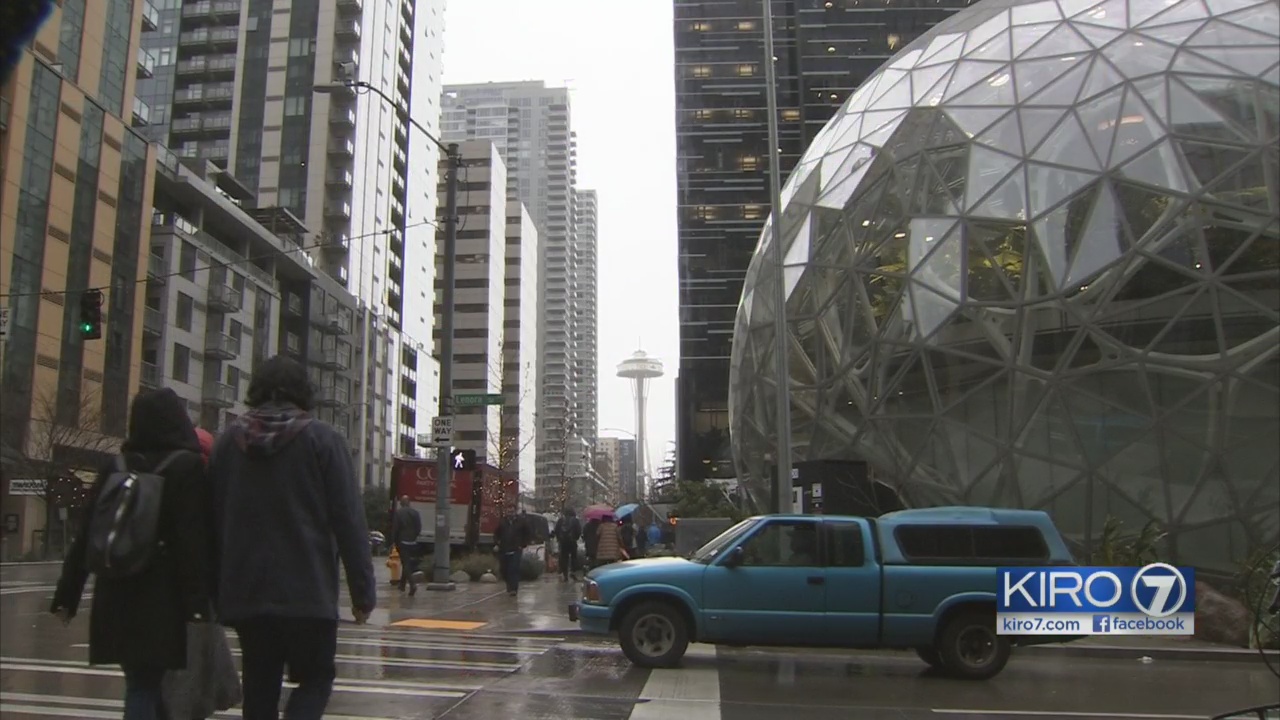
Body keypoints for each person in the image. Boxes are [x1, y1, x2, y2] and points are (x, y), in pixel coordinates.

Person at [208, 355, 376, 720]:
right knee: (316, 677)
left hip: (246, 592)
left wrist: (212, 590)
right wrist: (362, 593)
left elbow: (212, 521)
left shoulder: (227, 445)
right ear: (303, 393)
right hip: (308, 592)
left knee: (259, 682)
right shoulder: (323, 441)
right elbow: (349, 520)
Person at [51, 388, 211, 720]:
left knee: (140, 682)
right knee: (148, 685)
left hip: (115, 592)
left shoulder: (116, 465)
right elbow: (192, 543)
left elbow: (87, 536)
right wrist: (199, 605)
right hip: (162, 598)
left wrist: (68, 593)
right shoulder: (186, 467)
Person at [391, 496, 423, 595]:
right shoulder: (415, 513)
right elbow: (419, 527)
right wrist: (414, 536)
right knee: (407, 562)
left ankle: (412, 584)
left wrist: (393, 541)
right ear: (409, 503)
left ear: (401, 503)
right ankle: (402, 585)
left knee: (406, 564)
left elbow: (395, 528)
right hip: (412, 542)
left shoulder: (398, 513)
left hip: (402, 541)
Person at [493, 506, 527, 596]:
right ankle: (509, 585)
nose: (510, 514)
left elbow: (527, 534)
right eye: (508, 512)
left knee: (513, 569)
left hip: (516, 549)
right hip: (504, 549)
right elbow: (496, 534)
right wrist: (497, 543)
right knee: (504, 569)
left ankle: (513, 589)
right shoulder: (503, 522)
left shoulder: (521, 522)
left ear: (515, 512)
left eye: (512, 512)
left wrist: (522, 544)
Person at [553, 508, 582, 582]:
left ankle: (565, 574)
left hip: (563, 542)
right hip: (572, 541)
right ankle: (573, 572)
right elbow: (579, 531)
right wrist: (576, 538)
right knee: (574, 557)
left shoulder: (561, 520)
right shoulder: (575, 521)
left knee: (564, 558)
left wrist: (559, 539)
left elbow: (556, 530)